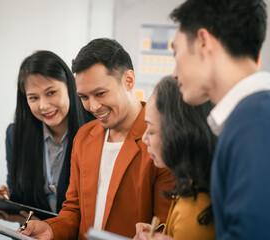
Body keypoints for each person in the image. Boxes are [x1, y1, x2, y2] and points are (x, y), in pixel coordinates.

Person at [20, 38, 175, 239]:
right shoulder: (84, 137)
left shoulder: (161, 139)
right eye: (84, 97)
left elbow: (166, 224)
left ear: (128, 81)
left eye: (100, 93)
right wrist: (51, 229)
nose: (93, 107)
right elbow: (74, 210)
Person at [169, 0, 270, 239]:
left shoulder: (255, 122)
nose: (174, 72)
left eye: (176, 53)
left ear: (203, 42)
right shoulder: (255, 115)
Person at [0, 50, 91, 224]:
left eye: (51, 93)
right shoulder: (16, 135)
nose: (43, 106)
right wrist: (3, 198)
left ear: (70, 87)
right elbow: (18, 194)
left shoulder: (94, 131)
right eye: (33, 98)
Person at [134, 76, 216, 240]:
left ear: (177, 133)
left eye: (150, 130)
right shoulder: (194, 187)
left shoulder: (194, 210)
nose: (144, 139)